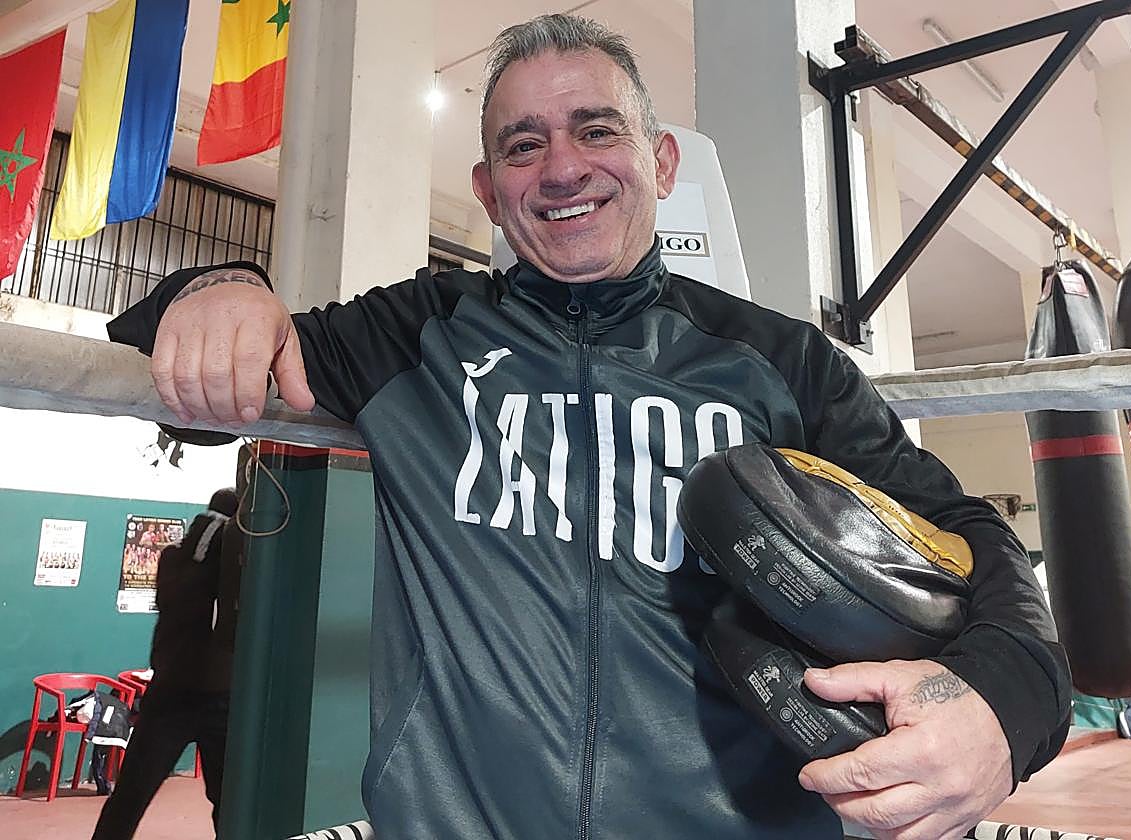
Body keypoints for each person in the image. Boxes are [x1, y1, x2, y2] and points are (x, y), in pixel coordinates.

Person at [106, 14, 1071, 840]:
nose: (562, 168)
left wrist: (1000, 705)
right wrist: (219, 287)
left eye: (594, 130)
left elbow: (969, 541)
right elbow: (211, 349)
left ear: (659, 160)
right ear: (489, 191)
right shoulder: (418, 335)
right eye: (523, 146)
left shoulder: (781, 361)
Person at [92, 486, 245, 840]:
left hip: (176, 690)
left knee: (131, 796)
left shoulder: (176, 558)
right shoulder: (210, 559)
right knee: (223, 801)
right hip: (202, 693)